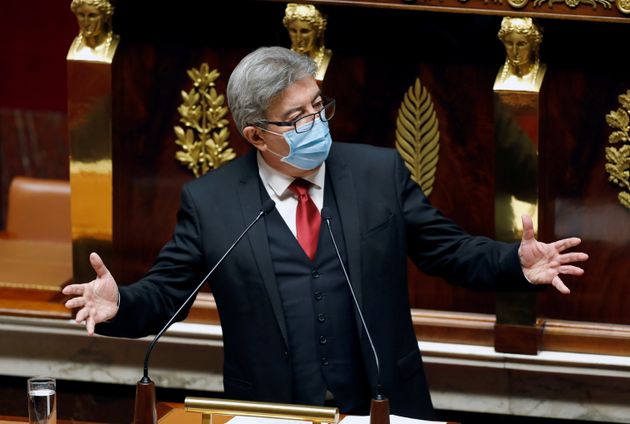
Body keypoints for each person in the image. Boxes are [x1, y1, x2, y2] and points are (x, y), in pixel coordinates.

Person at [63, 46, 588, 420]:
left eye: (319, 106)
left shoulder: (377, 174)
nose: (317, 122)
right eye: (297, 118)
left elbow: (445, 250)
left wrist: (513, 264)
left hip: (383, 405)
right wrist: (119, 305)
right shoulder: (212, 203)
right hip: (271, 412)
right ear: (255, 135)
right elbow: (163, 294)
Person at [283, 3, 332, 81]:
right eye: (293, 31)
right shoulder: (282, 60)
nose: (298, 38)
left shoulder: (327, 60)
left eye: (304, 31)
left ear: (318, 31)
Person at [495, 17, 545, 91]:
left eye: (521, 44)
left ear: (534, 44)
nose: (514, 51)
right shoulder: (501, 79)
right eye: (509, 43)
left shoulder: (541, 74)